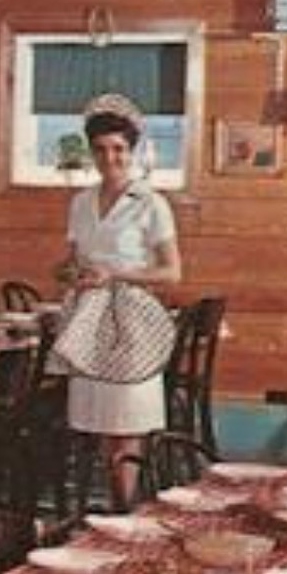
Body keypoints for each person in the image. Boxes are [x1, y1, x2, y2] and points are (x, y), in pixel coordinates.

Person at [58, 94, 182, 507]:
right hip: (88, 319)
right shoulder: (81, 203)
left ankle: (125, 510)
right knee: (94, 421)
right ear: (91, 152)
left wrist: (117, 274)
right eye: (100, 150)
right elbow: (71, 261)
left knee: (126, 423)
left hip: (132, 321)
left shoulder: (151, 203)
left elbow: (171, 272)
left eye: (118, 150)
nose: (110, 158)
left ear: (132, 151)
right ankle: (98, 516)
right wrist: (71, 274)